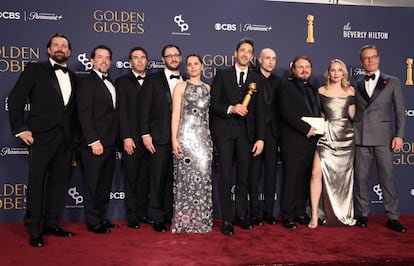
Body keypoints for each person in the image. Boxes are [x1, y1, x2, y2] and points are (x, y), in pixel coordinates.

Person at [8, 33, 78, 247]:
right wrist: (21, 129)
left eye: (64, 46)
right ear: (48, 50)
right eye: (55, 45)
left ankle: (51, 224)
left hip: (66, 140)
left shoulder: (74, 76)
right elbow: (15, 99)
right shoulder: (35, 69)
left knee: (58, 184)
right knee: (37, 183)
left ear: (69, 52)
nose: (60, 48)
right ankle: (33, 229)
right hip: (40, 138)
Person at [210, 38, 265, 236]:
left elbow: (260, 111)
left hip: (247, 135)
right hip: (224, 133)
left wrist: (260, 138)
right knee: (225, 177)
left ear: (252, 56)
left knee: (243, 177)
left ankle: (240, 216)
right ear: (235, 53)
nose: (245, 54)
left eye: (249, 51)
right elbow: (213, 104)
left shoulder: (257, 78)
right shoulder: (222, 75)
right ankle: (227, 219)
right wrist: (231, 108)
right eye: (242, 50)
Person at [354, 45, 406, 233]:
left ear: (378, 59)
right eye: (366, 58)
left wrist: (399, 135)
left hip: (383, 138)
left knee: (387, 178)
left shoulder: (393, 82)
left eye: (373, 57)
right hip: (360, 137)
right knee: (361, 178)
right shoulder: (356, 83)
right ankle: (363, 214)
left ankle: (392, 216)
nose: (370, 61)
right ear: (361, 61)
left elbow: (400, 112)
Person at [139, 44, 183, 232]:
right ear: (163, 59)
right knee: (157, 179)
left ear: (180, 58)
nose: (173, 58)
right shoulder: (153, 80)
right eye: (169, 56)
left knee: (174, 181)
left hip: (181, 140)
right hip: (158, 138)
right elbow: (143, 109)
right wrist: (145, 134)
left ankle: (169, 215)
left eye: (176, 55)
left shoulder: (186, 82)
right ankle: (156, 217)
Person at [308, 59, 356, 229]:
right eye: (333, 70)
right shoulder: (321, 90)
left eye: (339, 70)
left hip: (346, 138)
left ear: (343, 73)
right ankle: (314, 214)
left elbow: (353, 116)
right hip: (326, 136)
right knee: (315, 173)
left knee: (342, 179)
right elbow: (319, 114)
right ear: (328, 73)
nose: (336, 73)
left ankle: (341, 212)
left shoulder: (351, 91)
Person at [77, 45, 119, 234]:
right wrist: (93, 141)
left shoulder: (110, 81)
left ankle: (102, 217)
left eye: (107, 58)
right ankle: (93, 221)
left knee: (104, 183)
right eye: (100, 57)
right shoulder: (87, 83)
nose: (104, 61)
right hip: (95, 144)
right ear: (92, 61)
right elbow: (84, 113)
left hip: (110, 142)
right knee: (92, 184)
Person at [170, 54, 213, 233]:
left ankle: (201, 222)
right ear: (186, 68)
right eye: (190, 64)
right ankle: (184, 222)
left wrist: (209, 140)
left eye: (196, 64)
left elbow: (207, 117)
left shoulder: (208, 88)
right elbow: (175, 115)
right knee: (184, 182)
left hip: (203, 141)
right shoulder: (180, 87)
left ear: (202, 67)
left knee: (202, 181)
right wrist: (174, 139)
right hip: (185, 138)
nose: (193, 67)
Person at [278, 55, 321, 229]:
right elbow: (286, 112)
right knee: (291, 178)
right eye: (300, 67)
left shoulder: (312, 88)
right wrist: (305, 128)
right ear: (293, 70)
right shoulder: (286, 88)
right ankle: (287, 215)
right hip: (293, 140)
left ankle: (299, 212)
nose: (304, 70)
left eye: (307, 67)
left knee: (304, 177)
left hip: (311, 140)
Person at [115, 47, 153, 229]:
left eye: (142, 58)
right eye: (136, 58)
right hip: (131, 139)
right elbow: (121, 112)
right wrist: (126, 136)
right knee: (131, 178)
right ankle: (131, 215)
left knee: (145, 178)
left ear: (147, 61)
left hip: (150, 140)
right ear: (130, 62)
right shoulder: (121, 82)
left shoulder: (154, 81)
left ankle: (143, 213)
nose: (139, 61)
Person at [249, 48, 281, 226]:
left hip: (273, 134)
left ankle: (268, 212)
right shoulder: (251, 79)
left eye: (273, 58)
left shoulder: (279, 82)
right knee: (254, 175)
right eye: (267, 58)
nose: (270, 61)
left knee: (270, 175)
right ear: (260, 60)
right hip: (254, 134)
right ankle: (254, 213)